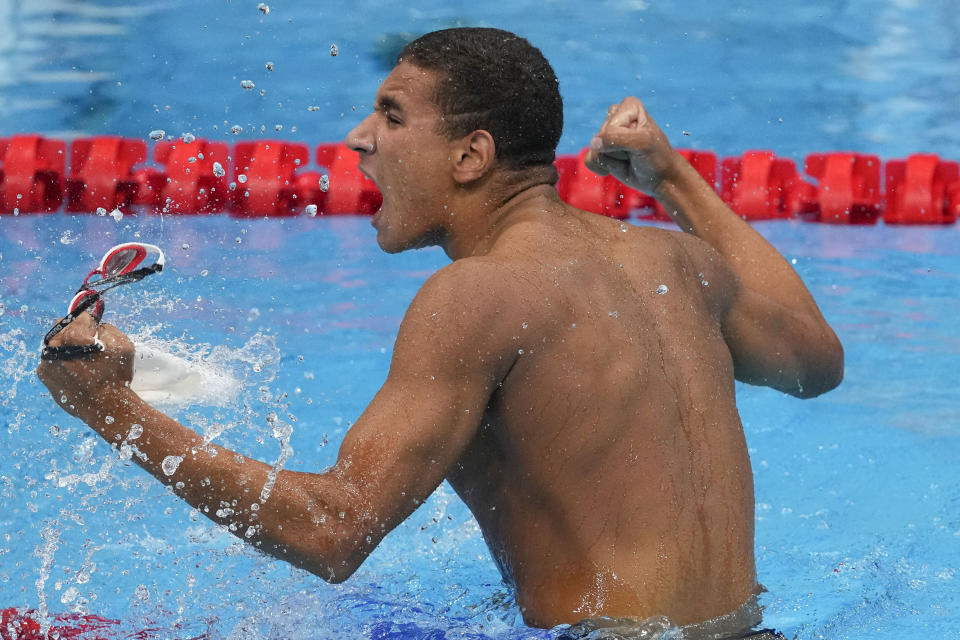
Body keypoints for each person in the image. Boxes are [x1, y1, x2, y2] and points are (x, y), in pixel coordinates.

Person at [38, 27, 843, 638]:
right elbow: (815, 361)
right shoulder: (677, 260)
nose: (360, 137)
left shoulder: (475, 296)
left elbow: (332, 533)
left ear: (471, 155)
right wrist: (672, 177)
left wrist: (108, 408)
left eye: (391, 115)